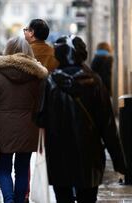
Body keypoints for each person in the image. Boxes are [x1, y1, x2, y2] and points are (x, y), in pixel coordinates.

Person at [36, 35, 125, 202]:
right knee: (88, 198)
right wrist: (119, 162)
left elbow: (40, 119)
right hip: (89, 154)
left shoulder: (50, 83)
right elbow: (108, 127)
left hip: (59, 154)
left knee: (63, 198)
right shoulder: (95, 82)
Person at [0, 36, 48, 203]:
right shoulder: (37, 76)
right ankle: (19, 200)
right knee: (22, 168)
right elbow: (42, 102)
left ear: (7, 50)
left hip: (3, 128)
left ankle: (9, 200)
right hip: (28, 127)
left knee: (3, 168)